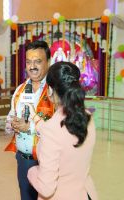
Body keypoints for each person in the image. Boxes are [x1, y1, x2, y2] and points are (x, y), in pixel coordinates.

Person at [26, 61, 98, 200]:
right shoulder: (87, 118)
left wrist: (32, 171)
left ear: (51, 90)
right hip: (85, 194)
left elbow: (46, 189)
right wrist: (35, 117)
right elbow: (64, 135)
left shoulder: (52, 130)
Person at [5, 40, 55, 200]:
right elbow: (11, 115)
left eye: (38, 61)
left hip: (49, 161)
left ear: (48, 62)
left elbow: (62, 129)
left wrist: (31, 127)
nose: (32, 66)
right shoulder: (20, 90)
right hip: (24, 159)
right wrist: (12, 123)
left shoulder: (56, 91)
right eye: (28, 62)